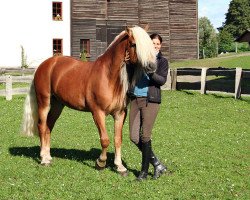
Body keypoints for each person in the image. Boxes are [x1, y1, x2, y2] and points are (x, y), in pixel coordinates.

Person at [127, 33, 169, 181]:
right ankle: (157, 164)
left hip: (151, 101)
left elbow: (162, 80)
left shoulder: (162, 61)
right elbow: (129, 74)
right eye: (153, 43)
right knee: (133, 136)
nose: (156, 46)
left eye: (158, 44)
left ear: (160, 45)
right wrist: (128, 63)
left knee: (145, 136)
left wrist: (151, 71)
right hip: (135, 99)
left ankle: (143, 172)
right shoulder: (139, 59)